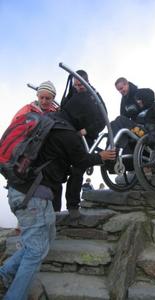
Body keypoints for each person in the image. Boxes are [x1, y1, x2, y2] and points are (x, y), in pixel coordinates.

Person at [0, 99, 116, 300]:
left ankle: (4, 275)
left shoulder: (46, 121)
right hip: (32, 197)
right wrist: (102, 156)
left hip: (20, 191)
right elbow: (82, 160)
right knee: (35, 252)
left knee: (47, 237)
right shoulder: (67, 134)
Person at [60, 70, 107, 218]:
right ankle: (54, 207)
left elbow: (103, 119)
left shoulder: (94, 96)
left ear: (86, 81)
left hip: (87, 136)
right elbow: (64, 110)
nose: (78, 87)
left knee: (77, 168)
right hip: (70, 134)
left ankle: (73, 206)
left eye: (80, 84)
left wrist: (86, 131)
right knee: (60, 166)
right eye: (76, 85)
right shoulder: (72, 94)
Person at [10, 81, 62, 212]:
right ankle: (22, 222)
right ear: (37, 96)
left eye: (48, 98)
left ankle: (51, 218)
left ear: (53, 98)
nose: (44, 101)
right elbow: (13, 130)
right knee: (22, 185)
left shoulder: (56, 113)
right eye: (41, 97)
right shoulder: (28, 109)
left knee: (42, 188)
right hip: (25, 154)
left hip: (44, 158)